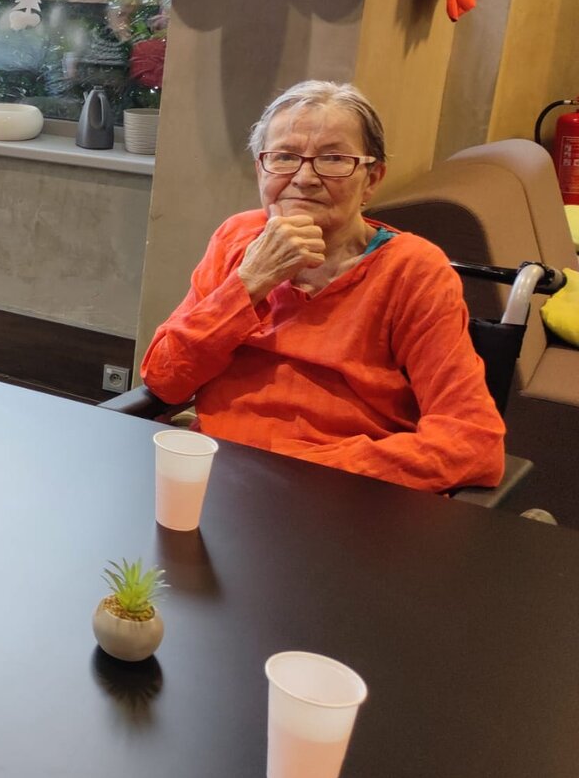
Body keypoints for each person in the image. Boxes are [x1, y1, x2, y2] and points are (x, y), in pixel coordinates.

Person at [141, 80, 504, 492]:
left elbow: (473, 442)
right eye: (284, 157)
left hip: (342, 494)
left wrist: (300, 470)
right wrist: (249, 284)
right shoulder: (237, 239)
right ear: (261, 170)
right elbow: (165, 380)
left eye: (333, 159)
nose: (304, 178)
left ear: (372, 179)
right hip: (219, 480)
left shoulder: (413, 270)